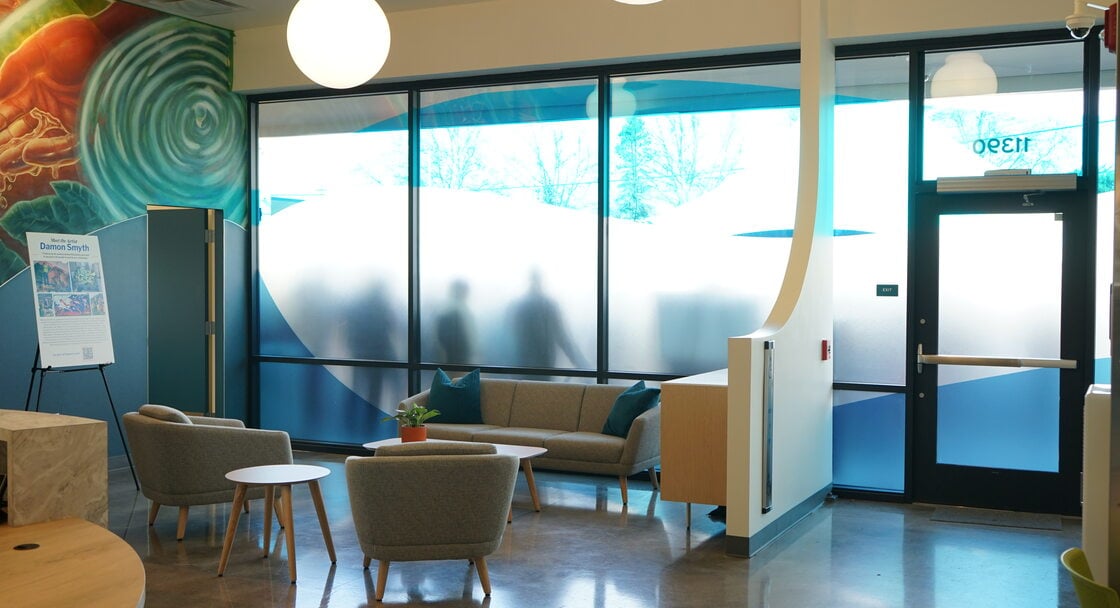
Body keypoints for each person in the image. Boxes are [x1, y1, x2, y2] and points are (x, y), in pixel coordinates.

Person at [510, 269, 588, 371]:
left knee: (527, 385)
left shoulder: (520, 306)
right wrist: (582, 365)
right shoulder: (548, 305)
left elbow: (513, 335)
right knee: (543, 386)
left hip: (525, 363)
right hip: (544, 362)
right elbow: (562, 337)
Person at [434, 279, 475, 364]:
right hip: (455, 361)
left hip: (458, 360)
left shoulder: (458, 311)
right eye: (463, 291)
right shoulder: (451, 314)